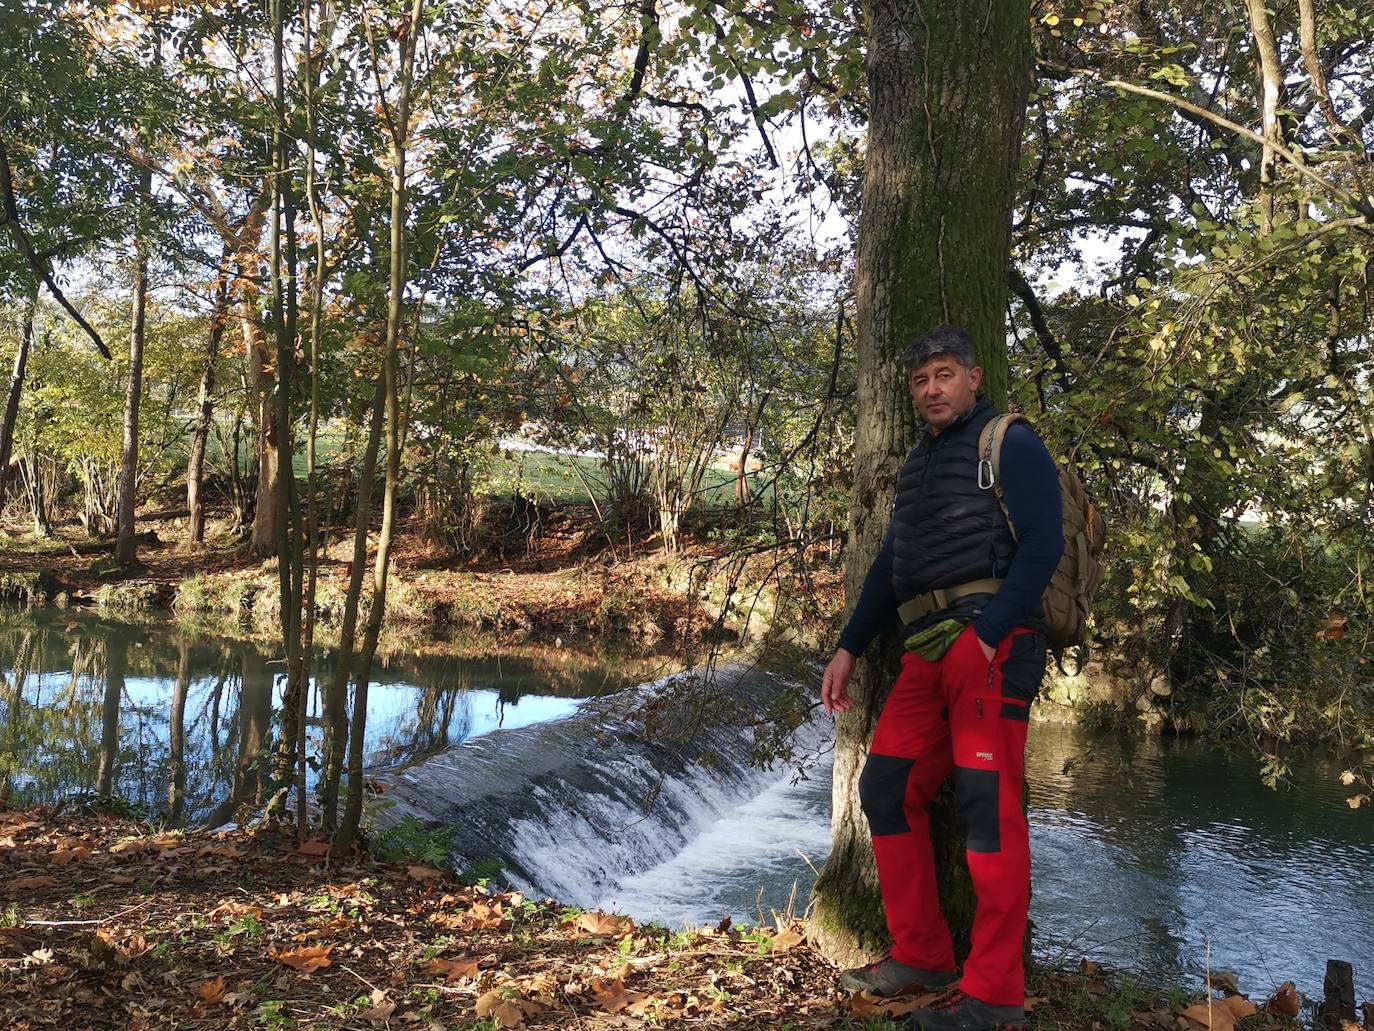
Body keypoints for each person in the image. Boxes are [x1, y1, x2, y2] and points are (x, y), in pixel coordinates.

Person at [821, 324, 1064, 1031]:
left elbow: (1043, 544)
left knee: (989, 813)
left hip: (994, 646)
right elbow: (888, 565)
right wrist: (850, 647)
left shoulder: (1009, 442)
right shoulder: (919, 466)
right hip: (926, 652)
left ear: (974, 377)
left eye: (945, 374)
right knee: (887, 787)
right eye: (922, 378)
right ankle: (922, 952)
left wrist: (985, 638)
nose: (932, 387)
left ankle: (993, 994)